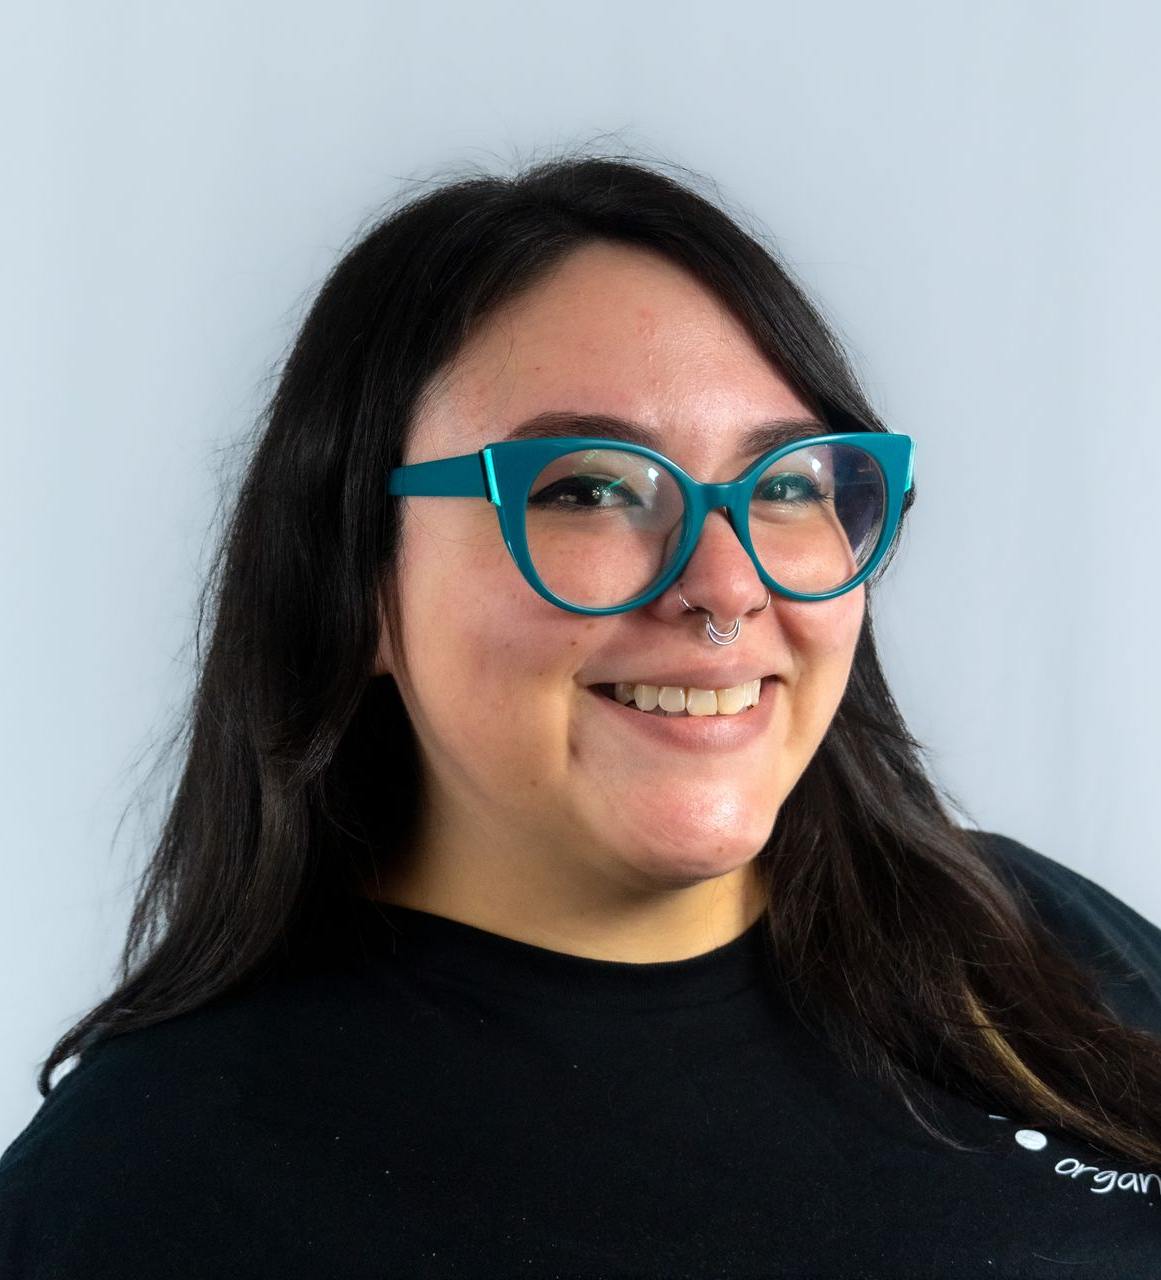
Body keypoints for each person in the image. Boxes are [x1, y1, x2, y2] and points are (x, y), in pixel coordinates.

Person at [2, 155, 1160, 1279]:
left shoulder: (1052, 939)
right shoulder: (142, 1194)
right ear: (353, 582)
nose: (726, 584)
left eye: (791, 483)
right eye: (591, 488)